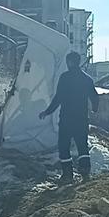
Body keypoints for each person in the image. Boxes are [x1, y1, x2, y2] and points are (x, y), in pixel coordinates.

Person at [39, 51, 100, 185]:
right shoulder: (87, 79)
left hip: (67, 118)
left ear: (70, 62)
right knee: (82, 145)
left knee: (64, 146)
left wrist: (47, 112)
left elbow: (58, 98)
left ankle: (67, 175)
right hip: (82, 118)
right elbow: (95, 97)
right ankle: (85, 173)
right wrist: (95, 110)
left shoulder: (65, 78)